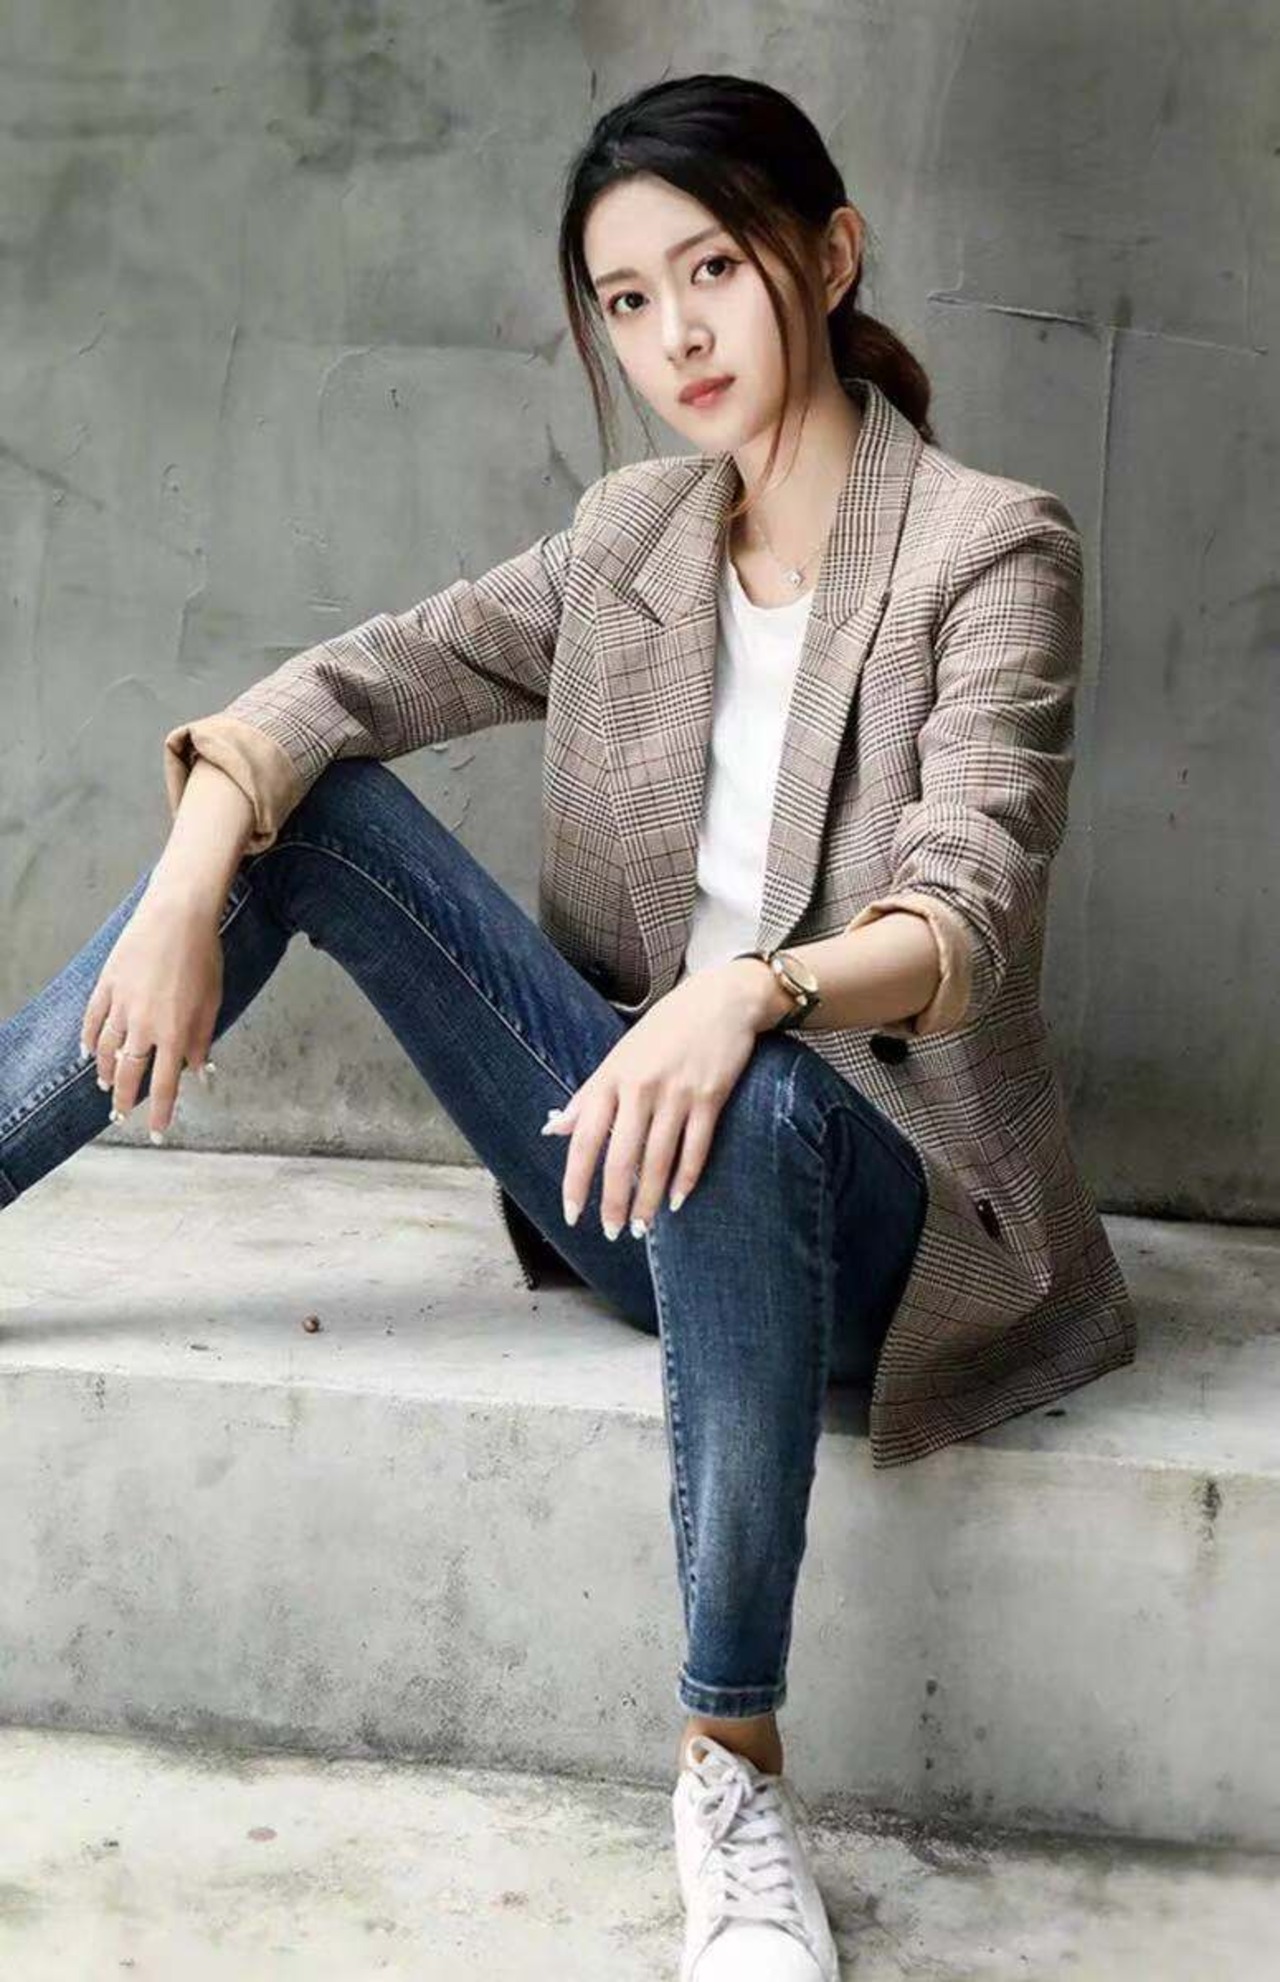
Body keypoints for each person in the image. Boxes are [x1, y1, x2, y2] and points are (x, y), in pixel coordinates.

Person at [0, 72, 1136, 1982]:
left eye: (715, 269)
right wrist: (197, 866)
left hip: (881, 1206)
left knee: (752, 1096)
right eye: (626, 298)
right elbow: (350, 683)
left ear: (828, 257)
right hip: (632, 1161)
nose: (675, 332)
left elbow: (967, 914)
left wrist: (747, 991)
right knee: (313, 805)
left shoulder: (988, 550)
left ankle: (732, 1779)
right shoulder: (632, 538)